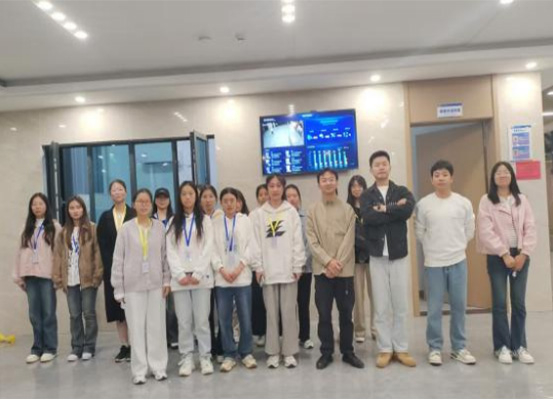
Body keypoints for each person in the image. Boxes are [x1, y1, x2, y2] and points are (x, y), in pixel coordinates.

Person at [414, 160, 477, 366]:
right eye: (437, 175)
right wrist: (433, 248)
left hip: (458, 261)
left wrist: (457, 246)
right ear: (432, 179)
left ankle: (459, 348)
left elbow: (470, 229)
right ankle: (434, 348)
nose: (440, 178)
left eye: (444, 174)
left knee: (459, 306)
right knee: (434, 308)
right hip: (433, 263)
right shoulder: (424, 204)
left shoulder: (463, 203)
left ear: (452, 178)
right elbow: (419, 232)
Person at [360, 150, 417, 368]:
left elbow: (407, 210)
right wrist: (394, 209)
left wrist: (384, 209)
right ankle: (385, 348)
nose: (381, 167)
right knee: (381, 305)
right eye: (377, 164)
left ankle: (401, 348)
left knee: (401, 304)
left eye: (384, 163)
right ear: (371, 169)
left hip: (398, 254)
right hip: (377, 255)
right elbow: (368, 217)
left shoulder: (401, 190)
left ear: (389, 166)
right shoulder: (367, 195)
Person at [477, 161, 537, 364]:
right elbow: (485, 231)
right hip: (497, 256)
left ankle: (519, 346)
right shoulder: (486, 200)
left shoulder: (522, 200)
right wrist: (504, 254)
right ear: (493, 178)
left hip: (520, 255)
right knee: (500, 303)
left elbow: (530, 227)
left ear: (512, 176)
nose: (502, 175)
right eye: (498, 172)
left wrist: (524, 254)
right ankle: (502, 347)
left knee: (519, 303)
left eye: (506, 172)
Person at [306, 169, 364, 370]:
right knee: (324, 314)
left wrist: (337, 263)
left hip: (344, 271)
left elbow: (350, 239)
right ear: (319, 184)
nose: (328, 182)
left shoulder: (348, 209)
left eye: (331, 179)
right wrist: (328, 262)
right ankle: (326, 352)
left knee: (346, 314)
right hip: (322, 272)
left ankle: (348, 352)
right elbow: (312, 241)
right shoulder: (312, 210)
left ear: (337, 183)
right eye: (324, 180)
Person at [111, 189, 171, 384]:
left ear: (151, 204)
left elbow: (165, 256)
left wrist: (166, 280)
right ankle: (139, 371)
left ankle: (158, 367)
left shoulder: (159, 228)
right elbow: (118, 260)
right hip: (132, 286)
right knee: (136, 329)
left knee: (156, 327)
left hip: (156, 284)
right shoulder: (126, 229)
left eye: (147, 202)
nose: (144, 205)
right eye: (140, 201)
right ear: (134, 204)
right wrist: (118, 288)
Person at [250, 174, 306, 369]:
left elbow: (298, 241)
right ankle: (273, 352)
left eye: (278, 186)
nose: (274, 189)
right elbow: (255, 243)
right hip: (268, 271)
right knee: (271, 315)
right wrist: (258, 266)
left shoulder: (291, 212)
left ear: (283, 188)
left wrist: (298, 265)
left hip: (288, 271)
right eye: (271, 186)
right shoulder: (258, 214)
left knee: (289, 313)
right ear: (267, 188)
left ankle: (289, 352)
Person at [167, 181, 215, 377]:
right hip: (180, 281)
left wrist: (197, 273)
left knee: (202, 321)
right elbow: (170, 250)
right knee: (184, 321)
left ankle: (205, 356)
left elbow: (208, 247)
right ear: (179, 197)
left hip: (200, 279)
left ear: (196, 197)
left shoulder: (205, 220)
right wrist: (179, 274)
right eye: (184, 194)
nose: (187, 197)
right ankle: (186, 356)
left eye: (191, 194)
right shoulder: (173, 221)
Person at [211, 187, 258, 372]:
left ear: (238, 203)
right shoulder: (215, 223)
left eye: (232, 200)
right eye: (225, 201)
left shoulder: (245, 221)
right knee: (224, 319)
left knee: (245, 317)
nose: (229, 204)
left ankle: (246, 352)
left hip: (242, 277)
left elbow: (251, 246)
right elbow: (212, 249)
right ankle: (229, 354)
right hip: (222, 279)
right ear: (221, 203)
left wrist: (239, 267)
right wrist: (221, 269)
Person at [53, 196, 103, 362]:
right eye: (72, 208)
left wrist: (97, 275)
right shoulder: (63, 232)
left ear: (83, 209)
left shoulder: (92, 228)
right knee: (74, 315)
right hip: (70, 278)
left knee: (89, 313)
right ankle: (76, 347)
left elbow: (97, 253)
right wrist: (58, 278)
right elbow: (58, 256)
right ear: (68, 211)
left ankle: (89, 346)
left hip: (88, 278)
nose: (75, 211)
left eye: (78, 207)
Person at [13, 193, 61, 364]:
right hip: (30, 275)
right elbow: (19, 253)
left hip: (47, 276)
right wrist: (18, 275)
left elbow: (59, 253)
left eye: (40, 203)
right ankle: (37, 348)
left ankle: (50, 348)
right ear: (31, 207)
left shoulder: (54, 227)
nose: (37, 207)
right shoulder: (26, 228)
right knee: (34, 314)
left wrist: (58, 276)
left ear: (46, 206)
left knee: (48, 313)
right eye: (34, 204)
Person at [97, 179, 136, 362]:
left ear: (126, 192)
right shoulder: (105, 217)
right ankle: (124, 345)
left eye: (120, 189)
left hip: (134, 271)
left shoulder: (134, 214)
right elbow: (103, 245)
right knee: (118, 313)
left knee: (134, 310)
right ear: (110, 194)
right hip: (114, 271)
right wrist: (112, 267)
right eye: (114, 190)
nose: (117, 192)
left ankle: (136, 345)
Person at [346, 175, 376, 343]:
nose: (356, 189)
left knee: (375, 295)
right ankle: (359, 329)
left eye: (359, 185)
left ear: (365, 188)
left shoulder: (371, 205)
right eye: (353, 186)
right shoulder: (347, 208)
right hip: (355, 257)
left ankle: (375, 328)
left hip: (373, 255)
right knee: (357, 296)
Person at [285, 184, 314, 350]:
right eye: (288, 196)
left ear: (299, 198)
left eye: (294, 195)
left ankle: (305, 337)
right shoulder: (282, 217)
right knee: (288, 306)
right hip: (287, 270)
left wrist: (301, 263)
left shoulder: (307, 216)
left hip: (305, 269)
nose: (292, 199)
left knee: (303, 304)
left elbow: (310, 242)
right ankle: (289, 337)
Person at [199, 184, 224, 362]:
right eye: (204, 197)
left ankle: (221, 347)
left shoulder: (222, 217)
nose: (207, 200)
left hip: (221, 271)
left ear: (215, 199)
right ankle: (209, 347)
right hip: (203, 272)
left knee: (222, 311)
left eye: (210, 196)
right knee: (206, 314)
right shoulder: (197, 219)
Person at [152, 188, 178, 350]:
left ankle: (174, 336)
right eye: (159, 198)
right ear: (155, 200)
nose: (162, 201)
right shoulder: (150, 219)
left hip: (173, 266)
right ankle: (161, 337)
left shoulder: (175, 219)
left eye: (165, 198)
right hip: (155, 266)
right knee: (157, 305)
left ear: (169, 200)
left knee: (173, 306)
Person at [250, 186, 267, 347]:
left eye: (265, 194)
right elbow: (252, 241)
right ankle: (260, 332)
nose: (263, 197)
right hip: (257, 266)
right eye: (260, 195)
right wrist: (257, 265)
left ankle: (275, 334)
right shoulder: (253, 215)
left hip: (274, 265)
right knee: (258, 302)